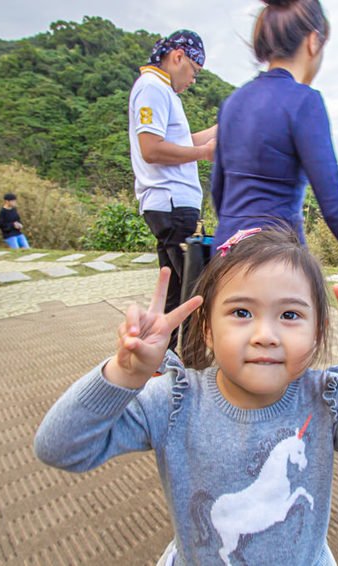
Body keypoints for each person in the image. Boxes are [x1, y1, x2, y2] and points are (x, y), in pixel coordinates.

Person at [34, 227, 338, 566]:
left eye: (290, 315)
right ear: (208, 329)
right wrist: (125, 374)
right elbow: (60, 448)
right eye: (241, 313)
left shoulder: (329, 400)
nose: (265, 335)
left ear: (318, 332)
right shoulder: (174, 400)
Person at [210, 0, 338, 306]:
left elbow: (218, 190)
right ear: (313, 41)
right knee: (287, 348)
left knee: (235, 349)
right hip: (276, 256)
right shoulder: (304, 101)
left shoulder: (233, 102)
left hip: (226, 250)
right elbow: (333, 201)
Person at [129, 29, 217, 351]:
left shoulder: (165, 92)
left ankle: (161, 361)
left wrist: (216, 133)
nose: (194, 79)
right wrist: (205, 153)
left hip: (173, 205)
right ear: (178, 56)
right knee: (195, 294)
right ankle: (191, 366)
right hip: (170, 204)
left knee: (175, 291)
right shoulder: (152, 88)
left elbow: (181, 142)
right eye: (194, 70)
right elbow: (151, 148)